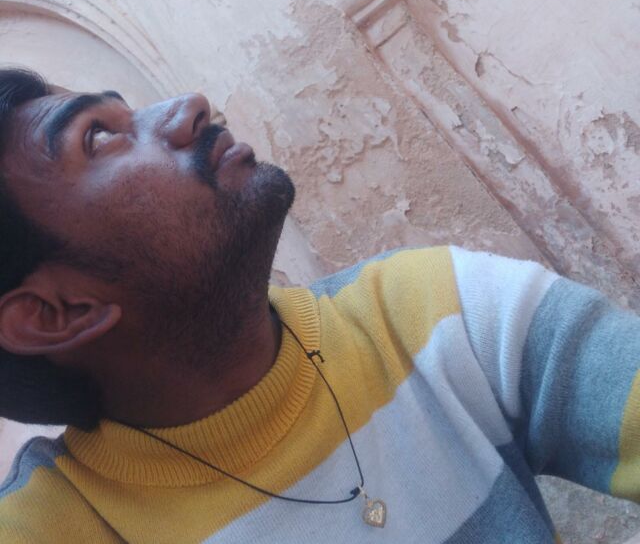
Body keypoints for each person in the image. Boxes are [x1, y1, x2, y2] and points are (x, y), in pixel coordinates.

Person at [0, 66, 638, 544]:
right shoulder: (56, 524)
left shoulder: (431, 311)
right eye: (99, 137)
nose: (187, 107)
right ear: (56, 313)